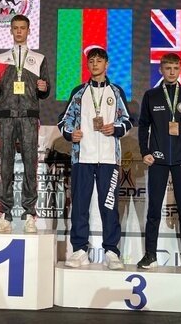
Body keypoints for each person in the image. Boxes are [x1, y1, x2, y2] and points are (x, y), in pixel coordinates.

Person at [58, 46, 133, 270]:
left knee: (109, 206)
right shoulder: (79, 92)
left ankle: (111, 251)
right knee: (80, 205)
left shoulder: (116, 92)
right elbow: (64, 120)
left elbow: (127, 121)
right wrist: (70, 134)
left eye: (99, 61)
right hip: (82, 157)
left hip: (109, 158)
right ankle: (80, 250)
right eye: (91, 61)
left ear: (106, 64)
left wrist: (116, 128)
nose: (95, 64)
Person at [137, 52, 181, 271]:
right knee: (154, 209)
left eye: (175, 68)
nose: (172, 72)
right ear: (161, 70)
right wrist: (145, 151)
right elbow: (143, 126)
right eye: (168, 68)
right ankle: (150, 254)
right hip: (157, 159)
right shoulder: (151, 95)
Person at [0, 14, 50, 233]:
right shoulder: (0, 58)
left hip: (29, 117)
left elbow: (45, 89)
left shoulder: (39, 59)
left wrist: (44, 88)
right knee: (5, 166)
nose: (19, 31)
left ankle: (29, 214)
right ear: (11, 30)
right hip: (6, 117)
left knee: (30, 166)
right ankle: (4, 215)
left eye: (22, 28)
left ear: (28, 30)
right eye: (15, 28)